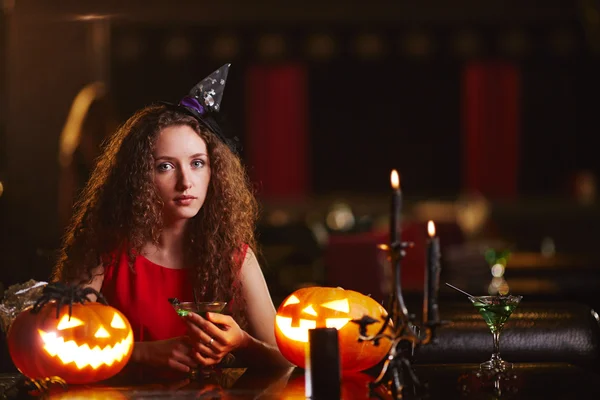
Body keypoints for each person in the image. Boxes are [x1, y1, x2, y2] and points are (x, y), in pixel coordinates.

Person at [51, 64, 290, 375]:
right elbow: (56, 344)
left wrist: (242, 343)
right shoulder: (104, 252)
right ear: (138, 178)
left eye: (197, 163)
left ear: (214, 171)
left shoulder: (235, 256)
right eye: (165, 166)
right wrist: (141, 354)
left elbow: (285, 360)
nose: (185, 181)